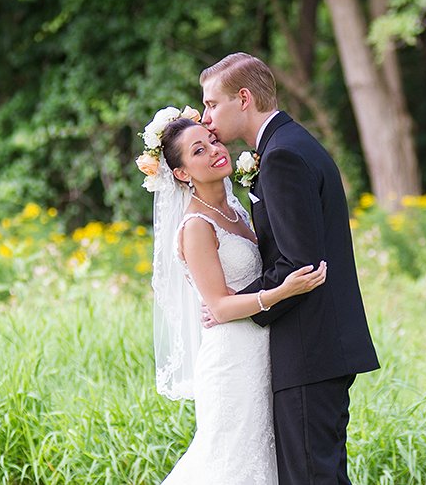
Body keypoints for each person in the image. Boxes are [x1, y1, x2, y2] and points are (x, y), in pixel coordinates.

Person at [199, 53, 379, 485]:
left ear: (243, 98)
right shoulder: (291, 143)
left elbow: (299, 264)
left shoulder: (282, 157)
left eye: (211, 104)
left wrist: (240, 306)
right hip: (319, 346)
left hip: (309, 346)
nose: (206, 118)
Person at [137, 106, 327, 485]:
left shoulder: (237, 207)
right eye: (198, 151)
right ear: (181, 173)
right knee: (230, 465)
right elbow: (220, 305)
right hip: (231, 363)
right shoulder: (196, 225)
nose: (214, 150)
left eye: (211, 140)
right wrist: (281, 291)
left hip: (264, 352)